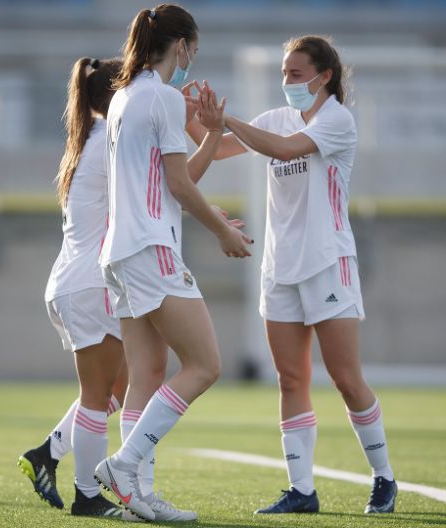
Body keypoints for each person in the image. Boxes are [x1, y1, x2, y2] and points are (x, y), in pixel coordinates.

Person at [184, 34, 398, 515]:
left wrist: (226, 119)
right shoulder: (276, 118)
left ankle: (383, 477)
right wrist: (191, 115)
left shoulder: (337, 120)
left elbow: (282, 150)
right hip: (279, 268)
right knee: (289, 379)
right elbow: (216, 150)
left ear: (324, 77)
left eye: (296, 74)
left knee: (345, 378)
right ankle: (302, 490)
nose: (287, 82)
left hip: (328, 265)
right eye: (284, 73)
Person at [93, 4, 253, 522]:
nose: (192, 61)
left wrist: (208, 134)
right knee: (205, 365)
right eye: (194, 51)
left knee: (148, 375)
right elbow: (181, 187)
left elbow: (174, 180)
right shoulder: (160, 97)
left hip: (120, 250)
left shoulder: (125, 96)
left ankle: (138, 493)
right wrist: (223, 230)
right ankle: (124, 465)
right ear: (181, 46)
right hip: (150, 249)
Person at [16, 57, 127, 519]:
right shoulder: (108, 141)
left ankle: (48, 451)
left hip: (75, 282)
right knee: (100, 395)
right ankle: (87, 495)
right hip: (89, 284)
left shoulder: (87, 138)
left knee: (117, 385)